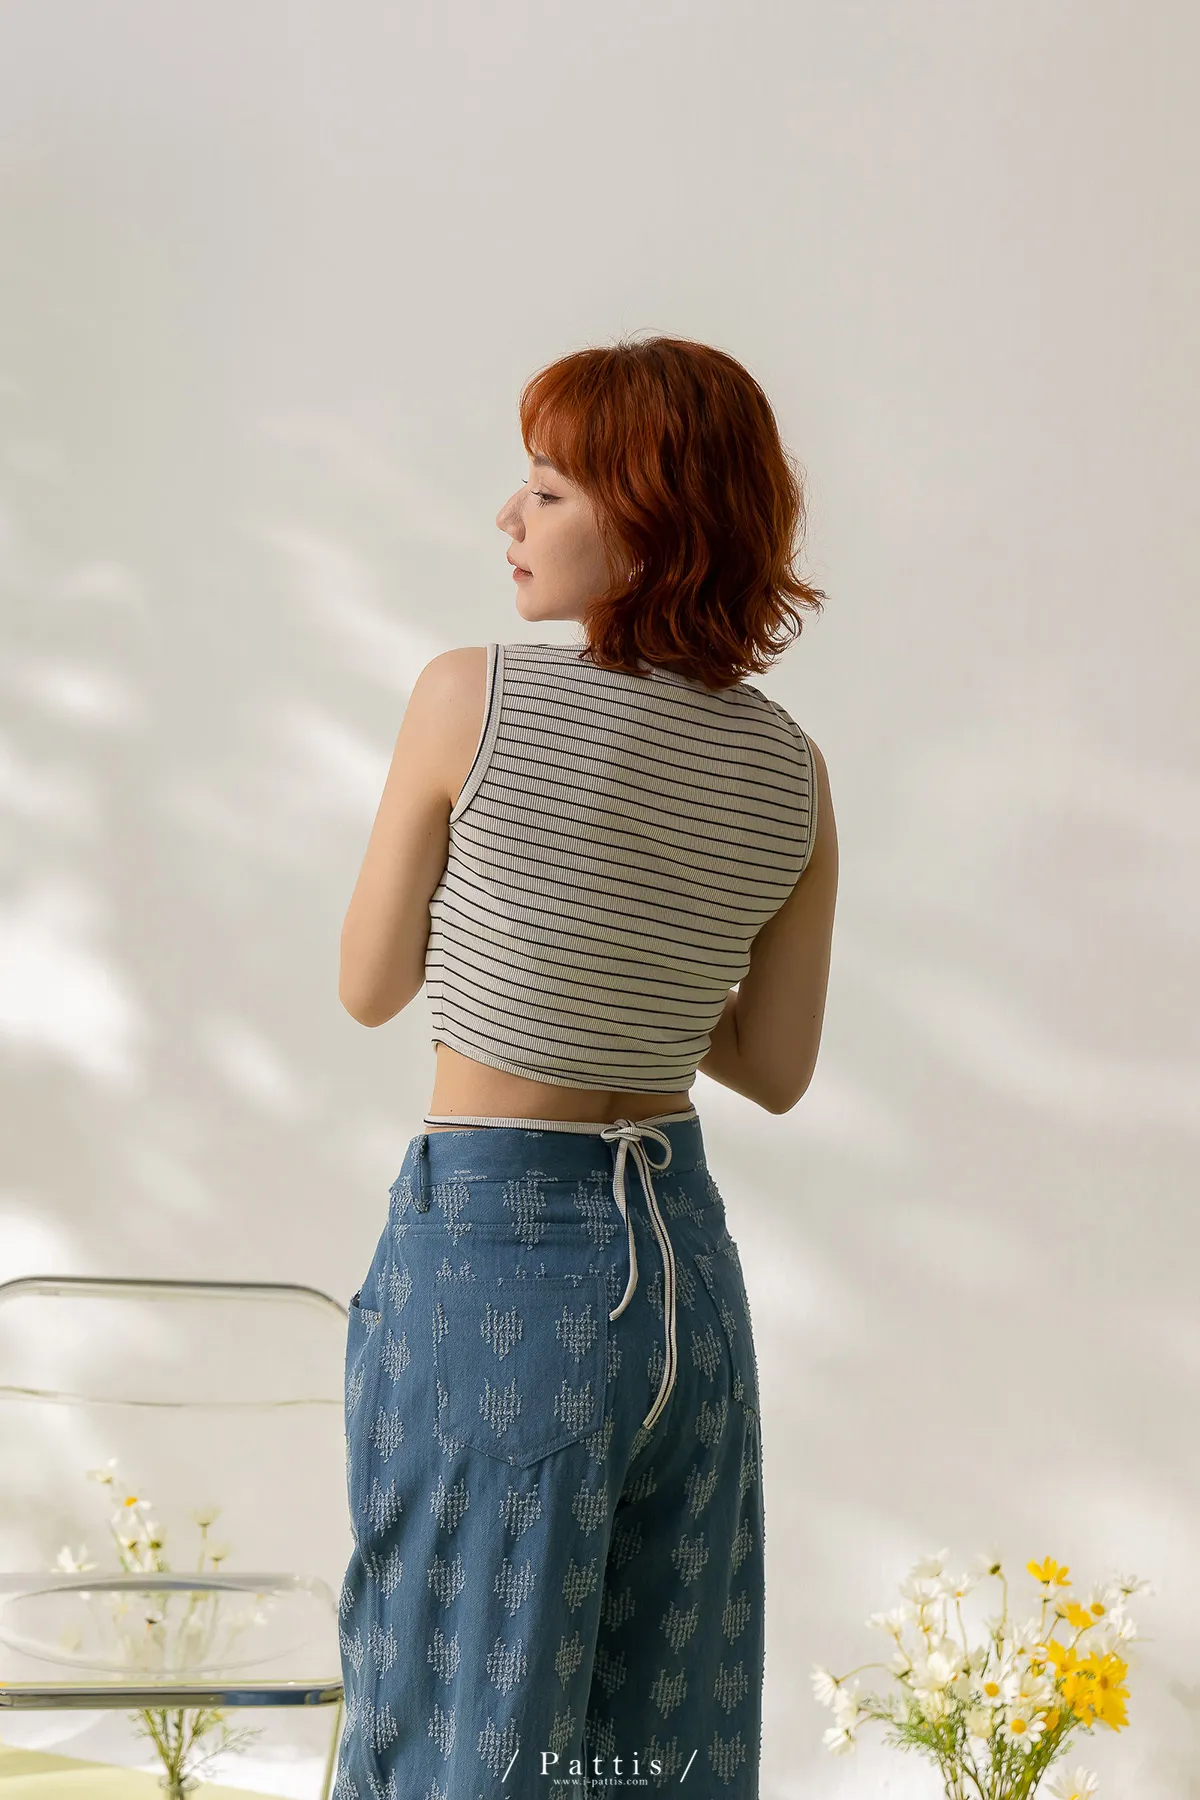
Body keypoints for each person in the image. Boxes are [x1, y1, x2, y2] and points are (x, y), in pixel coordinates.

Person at [334, 334, 838, 1799]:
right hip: (686, 1277)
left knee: (456, 1729)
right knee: (660, 1751)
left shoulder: (468, 698)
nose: (510, 516)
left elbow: (370, 986)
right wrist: (644, 957)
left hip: (502, 1260)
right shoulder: (792, 770)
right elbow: (774, 1065)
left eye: (549, 491)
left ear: (652, 518)